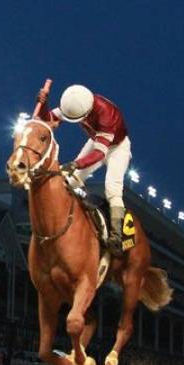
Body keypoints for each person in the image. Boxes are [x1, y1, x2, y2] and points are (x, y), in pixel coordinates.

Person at [37, 84, 131, 256]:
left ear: (87, 112)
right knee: (70, 181)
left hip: (117, 147)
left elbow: (99, 154)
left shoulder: (106, 114)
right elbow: (47, 118)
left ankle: (117, 236)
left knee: (112, 188)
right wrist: (44, 103)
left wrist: (76, 164)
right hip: (97, 140)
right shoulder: (76, 101)